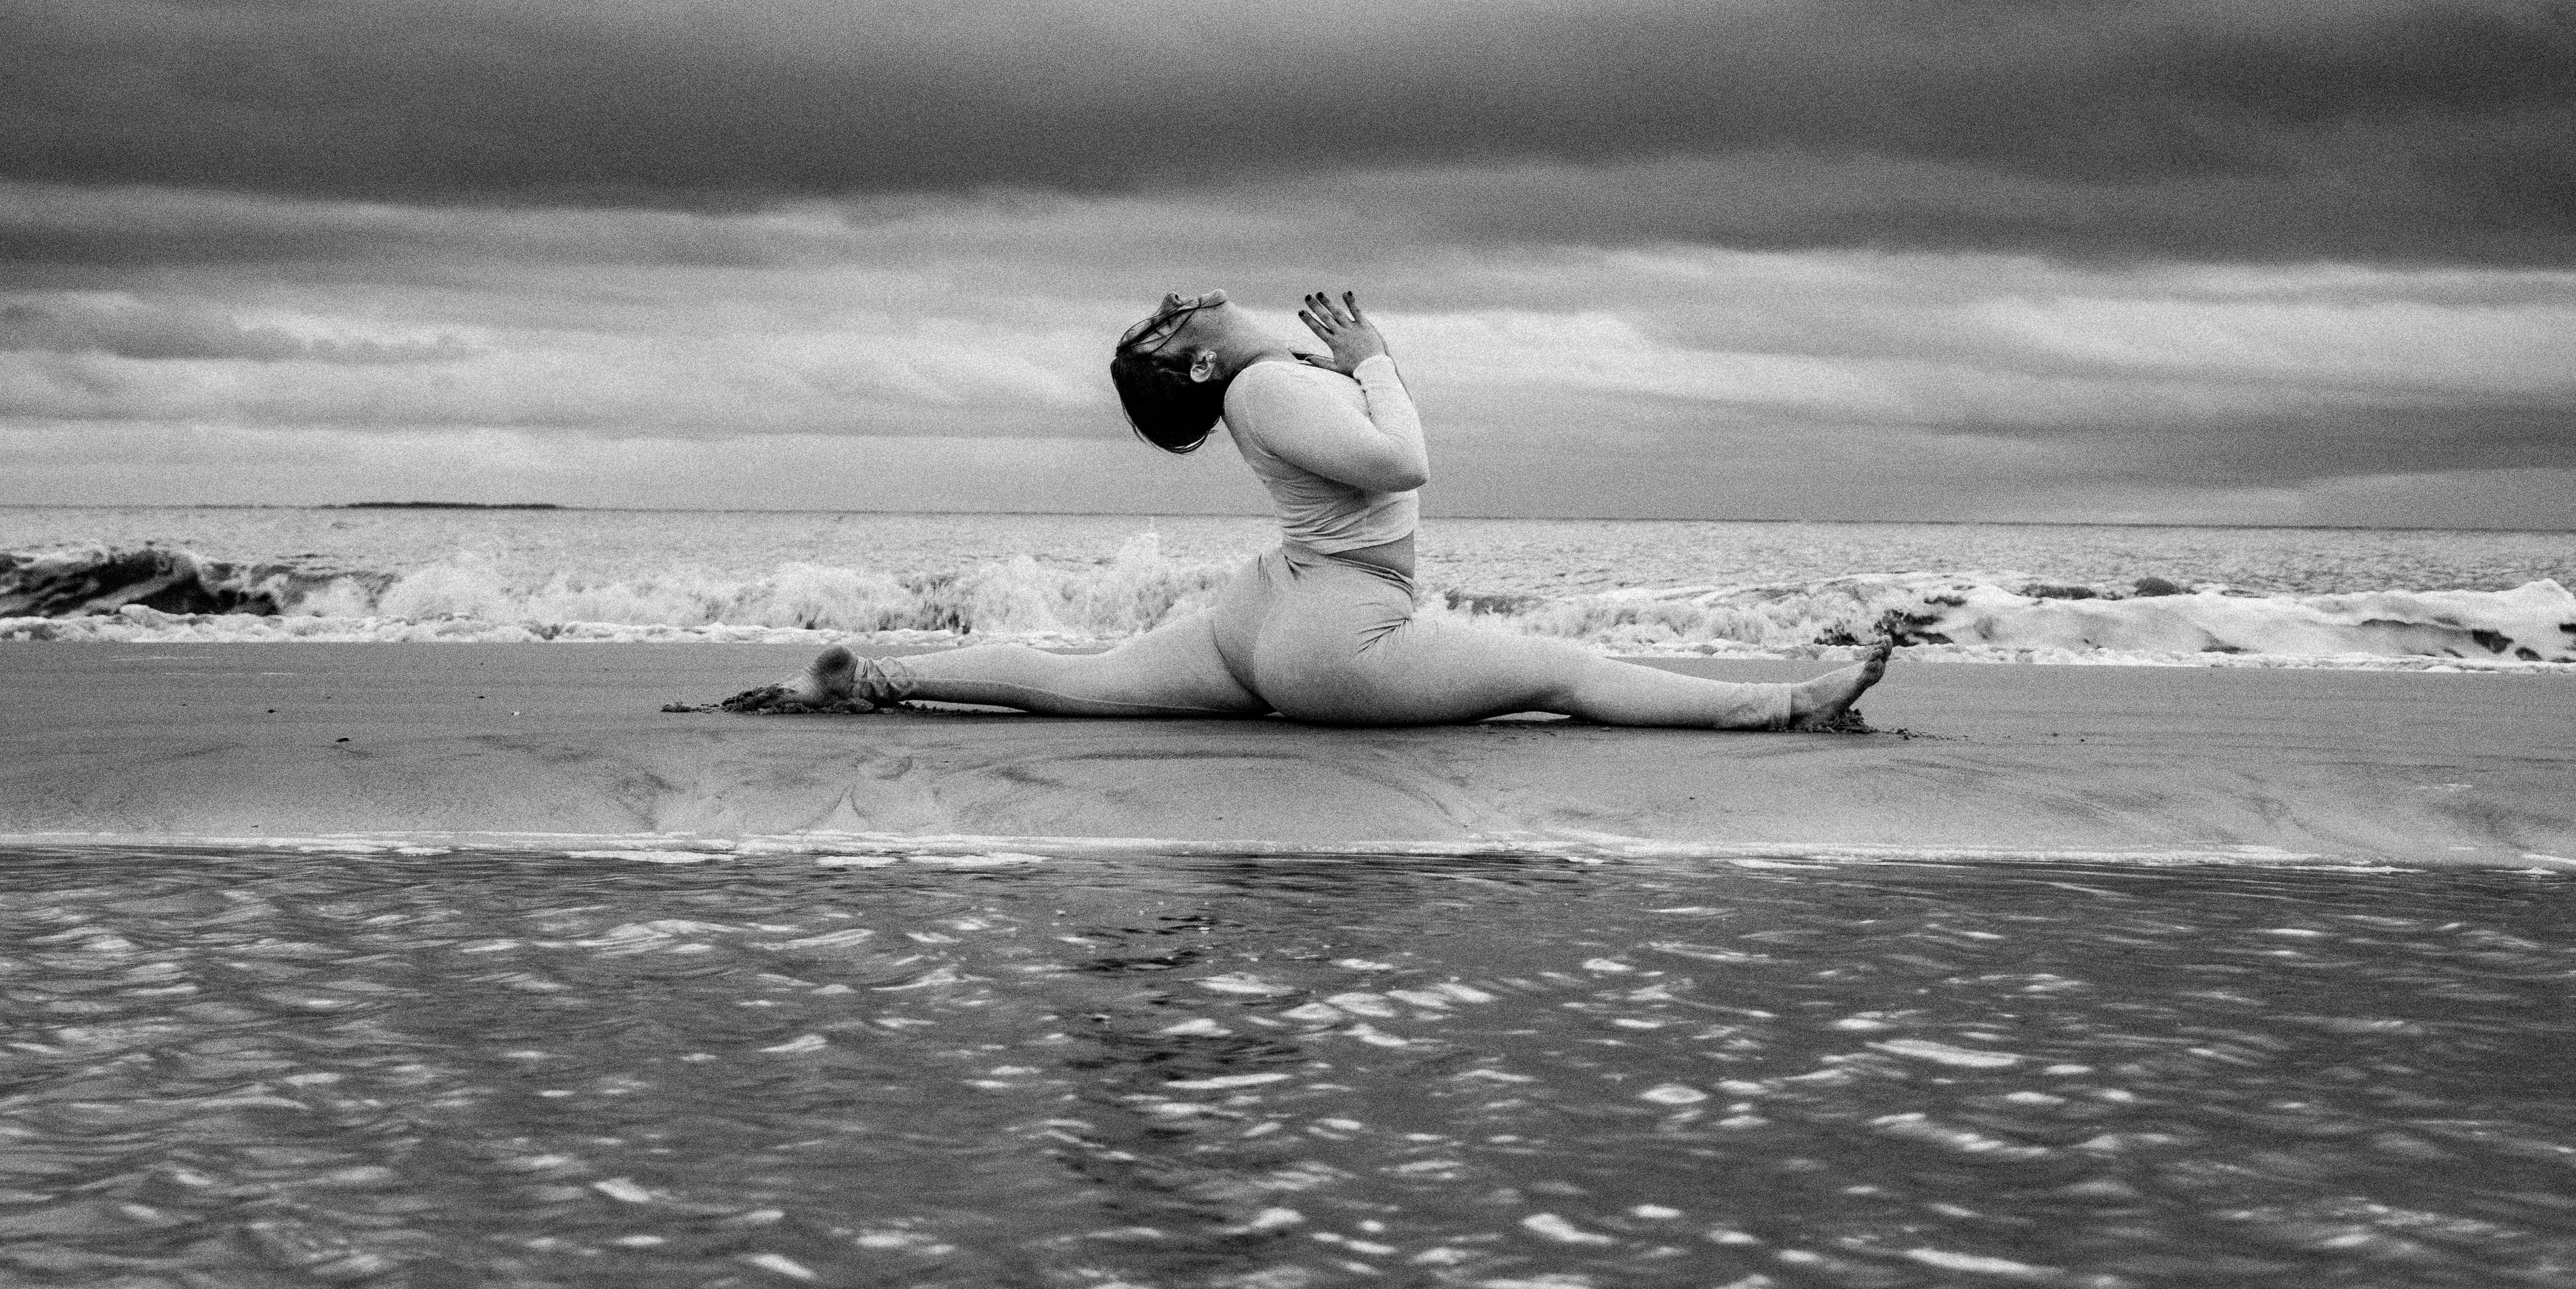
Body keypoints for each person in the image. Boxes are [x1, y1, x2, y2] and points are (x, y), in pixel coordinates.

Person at [711, 288, 1885, 730]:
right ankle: (1780, 704)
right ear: (1202, 369)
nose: (1178, 305)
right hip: (1336, 633)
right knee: (1565, 670)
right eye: (1163, 329)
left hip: (1264, 613)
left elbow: (1371, 462)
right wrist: (1376, 357)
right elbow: (1403, 464)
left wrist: (1360, 363)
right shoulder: (1271, 383)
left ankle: (881, 680)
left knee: (1086, 677)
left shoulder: (1257, 387)